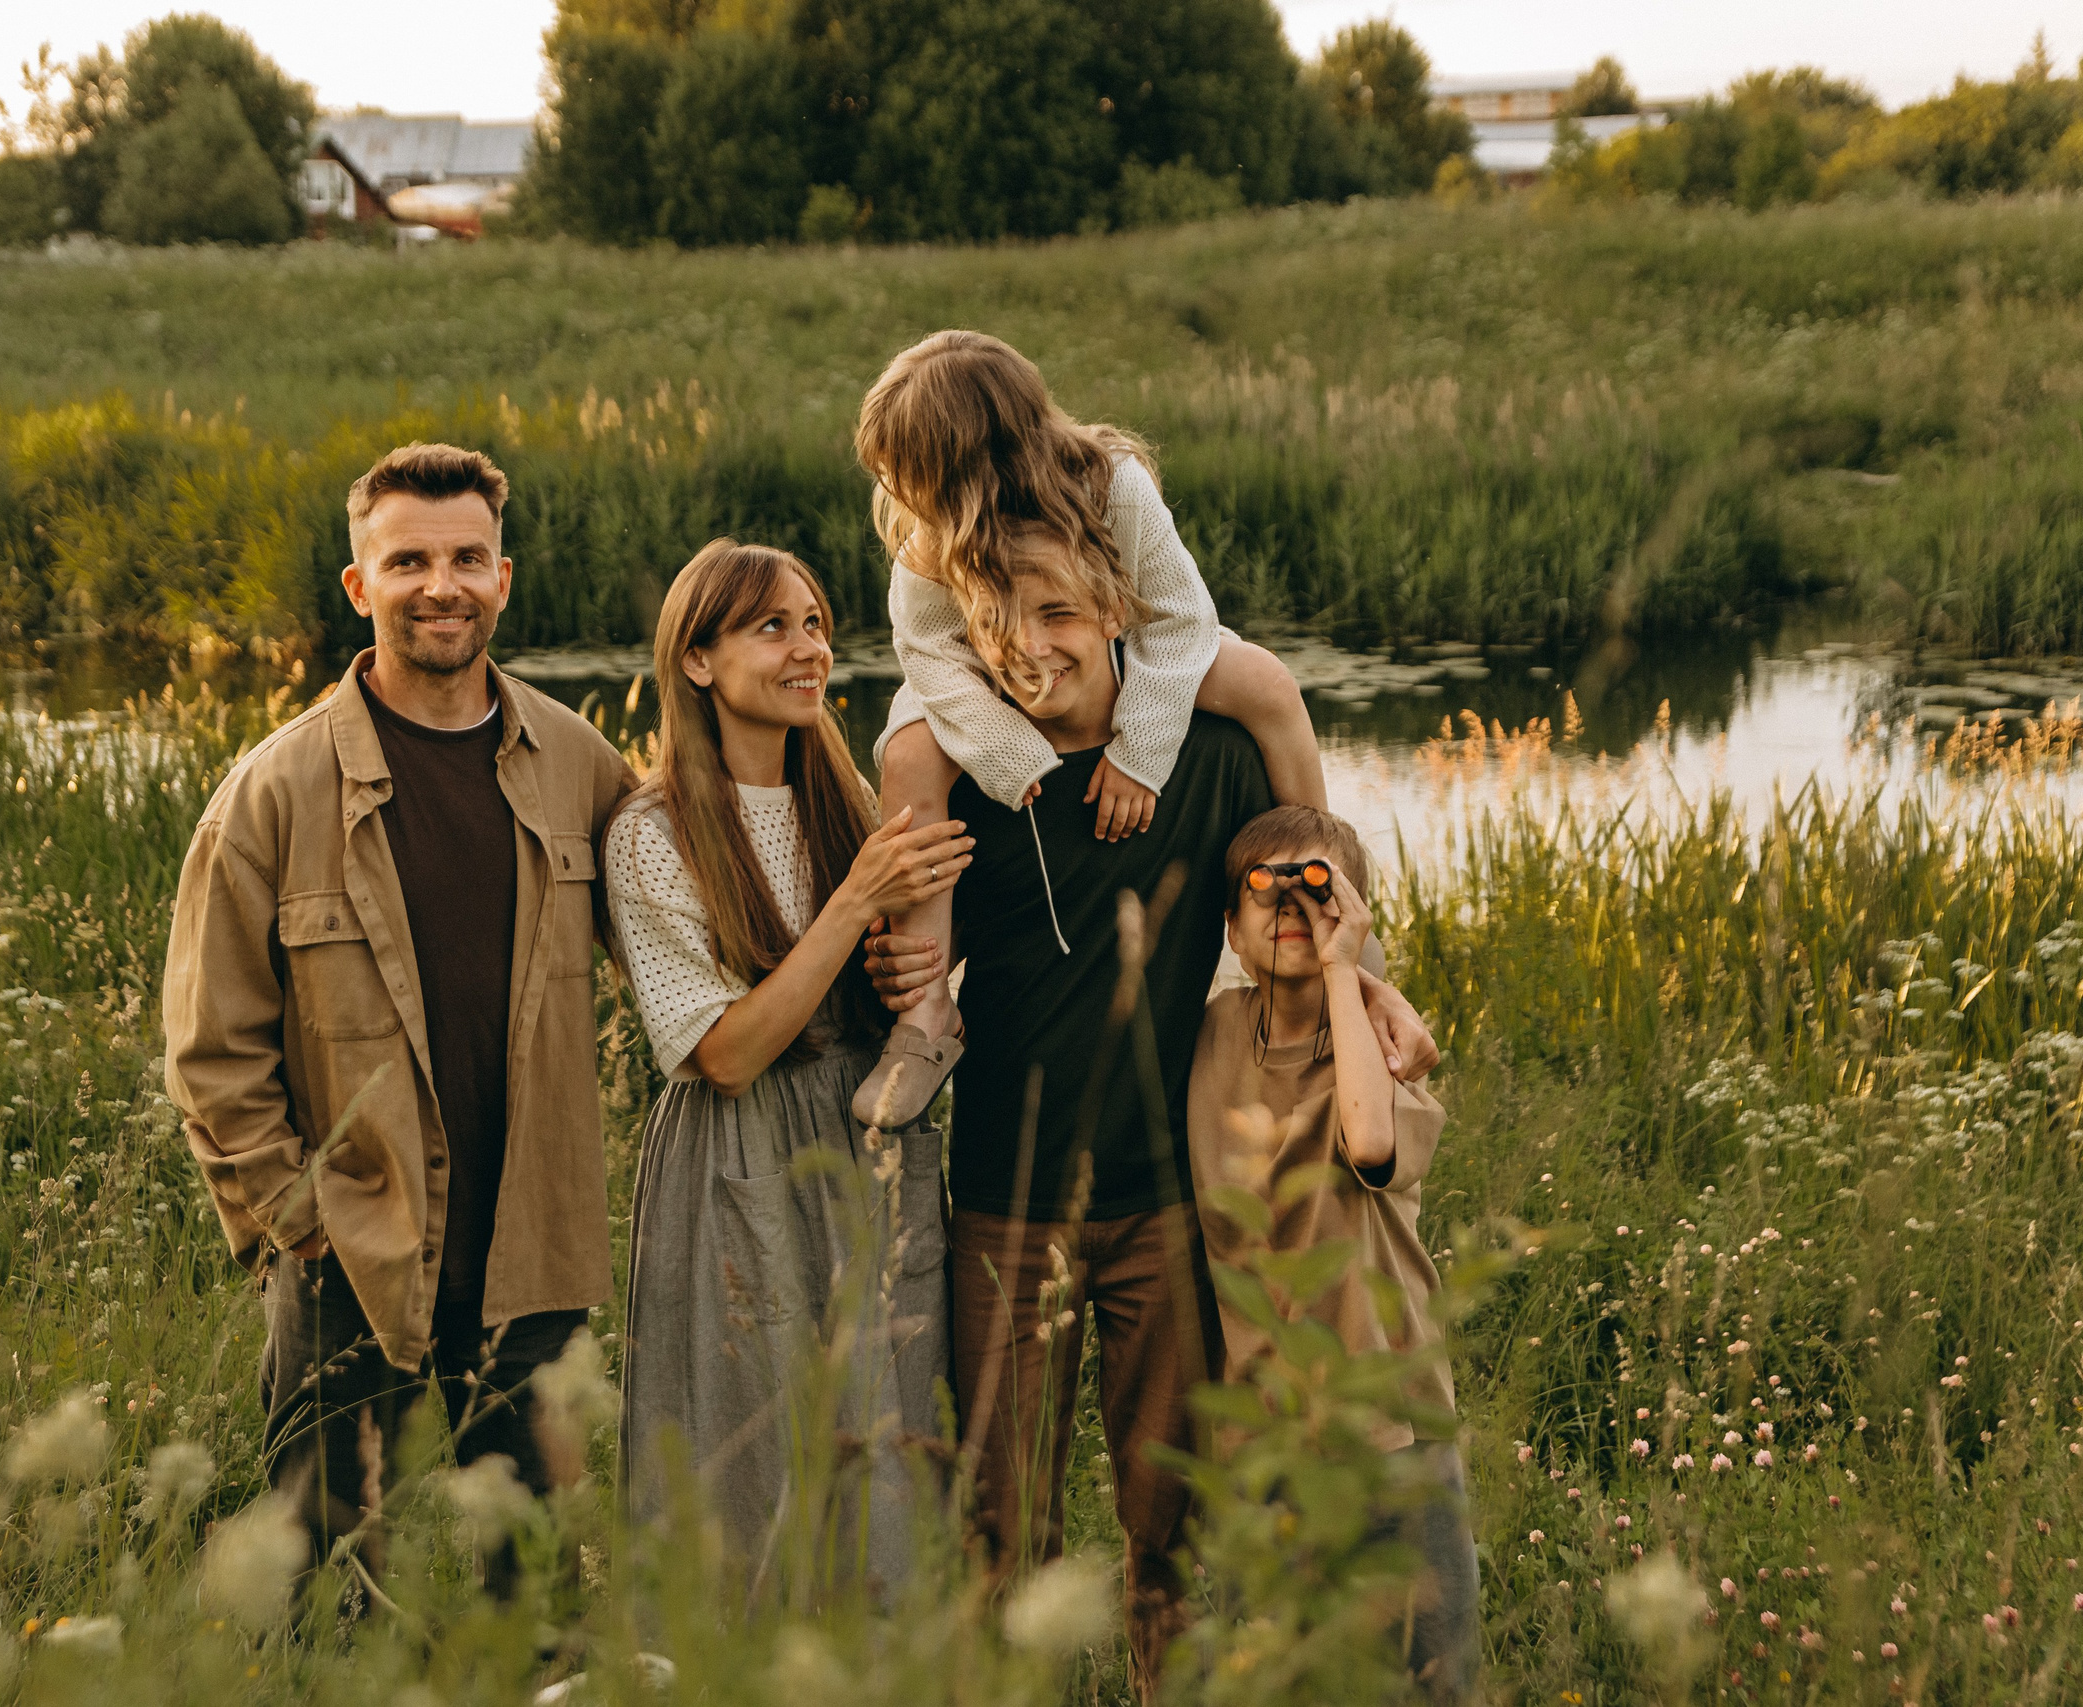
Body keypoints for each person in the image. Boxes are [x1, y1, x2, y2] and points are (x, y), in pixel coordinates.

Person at [859, 541, 1438, 1698]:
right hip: (1004, 1209)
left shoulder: (1213, 758)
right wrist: (904, 965)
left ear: (1121, 614)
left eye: (1061, 614)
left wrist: (1364, 980)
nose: (1032, 647)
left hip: (1172, 1203)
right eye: (997, 622)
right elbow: (930, 946)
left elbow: (1314, 888)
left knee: (1168, 1517)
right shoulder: (968, 773)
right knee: (1005, 1524)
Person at [160, 442, 635, 1588]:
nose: (443, 584)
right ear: (358, 587)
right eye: (409, 560)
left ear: (504, 579)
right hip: (353, 1258)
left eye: (468, 557)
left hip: (532, 1251)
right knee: (319, 1578)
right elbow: (210, 1047)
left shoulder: (578, 763)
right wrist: (302, 1219)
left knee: (528, 1588)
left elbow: (694, 925)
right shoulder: (271, 792)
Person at [604, 539, 970, 1602]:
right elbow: (722, 1054)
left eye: (814, 624)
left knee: (886, 1409)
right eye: (772, 628)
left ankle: (885, 1659)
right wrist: (854, 901)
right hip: (741, 1150)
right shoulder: (651, 829)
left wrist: (912, 962)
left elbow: (903, 967)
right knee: (751, 1421)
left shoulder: (846, 792)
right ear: (700, 661)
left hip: (863, 1136)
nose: (808, 649)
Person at [847, 329, 1329, 1129]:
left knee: (1265, 683)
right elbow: (929, 656)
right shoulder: (927, 545)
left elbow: (1180, 618)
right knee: (907, 754)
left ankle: (1335, 892)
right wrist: (1005, 751)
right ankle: (927, 1009)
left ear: (973, 460)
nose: (899, 493)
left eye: (910, 472)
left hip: (1117, 638)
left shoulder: (1113, 486)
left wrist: (1141, 751)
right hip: (984, 676)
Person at [1187, 804, 1478, 1699]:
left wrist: (1352, 971)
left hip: (1393, 1422)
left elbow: (1369, 1141)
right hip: (1265, 1429)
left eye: (1317, 887)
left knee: (1428, 1676)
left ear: (1352, 913)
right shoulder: (1210, 1033)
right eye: (1263, 890)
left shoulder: (1391, 1054)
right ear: (1231, 930)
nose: (1292, 907)